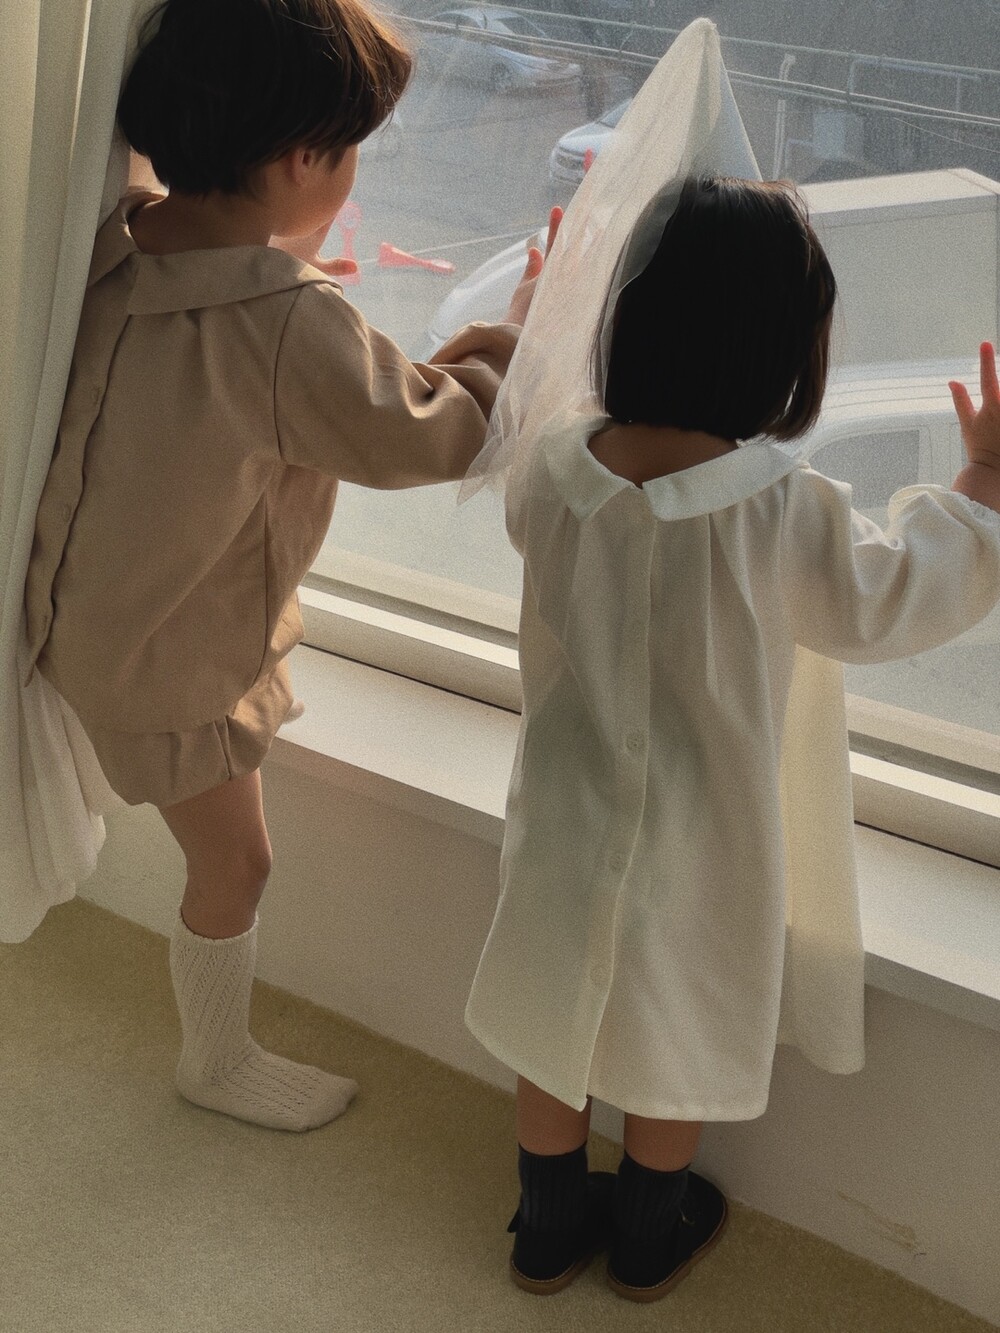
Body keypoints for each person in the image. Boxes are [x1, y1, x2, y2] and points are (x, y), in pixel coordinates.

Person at [22, 0, 557, 1134]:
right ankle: (214, 1059)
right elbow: (434, 432)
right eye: (350, 148)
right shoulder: (288, 322)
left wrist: (289, 275)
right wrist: (519, 340)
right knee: (240, 866)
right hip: (171, 663)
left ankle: (214, 1049)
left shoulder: (119, 236)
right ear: (302, 159)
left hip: (85, 620)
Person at [463, 174, 1000, 1302]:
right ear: (785, 355)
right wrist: (983, 483)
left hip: (561, 819)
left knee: (553, 1025)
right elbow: (890, 599)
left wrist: (530, 338)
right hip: (703, 845)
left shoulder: (554, 470)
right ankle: (648, 1237)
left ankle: (545, 1231)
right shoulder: (780, 508)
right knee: (679, 1035)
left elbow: (520, 487)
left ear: (625, 319)